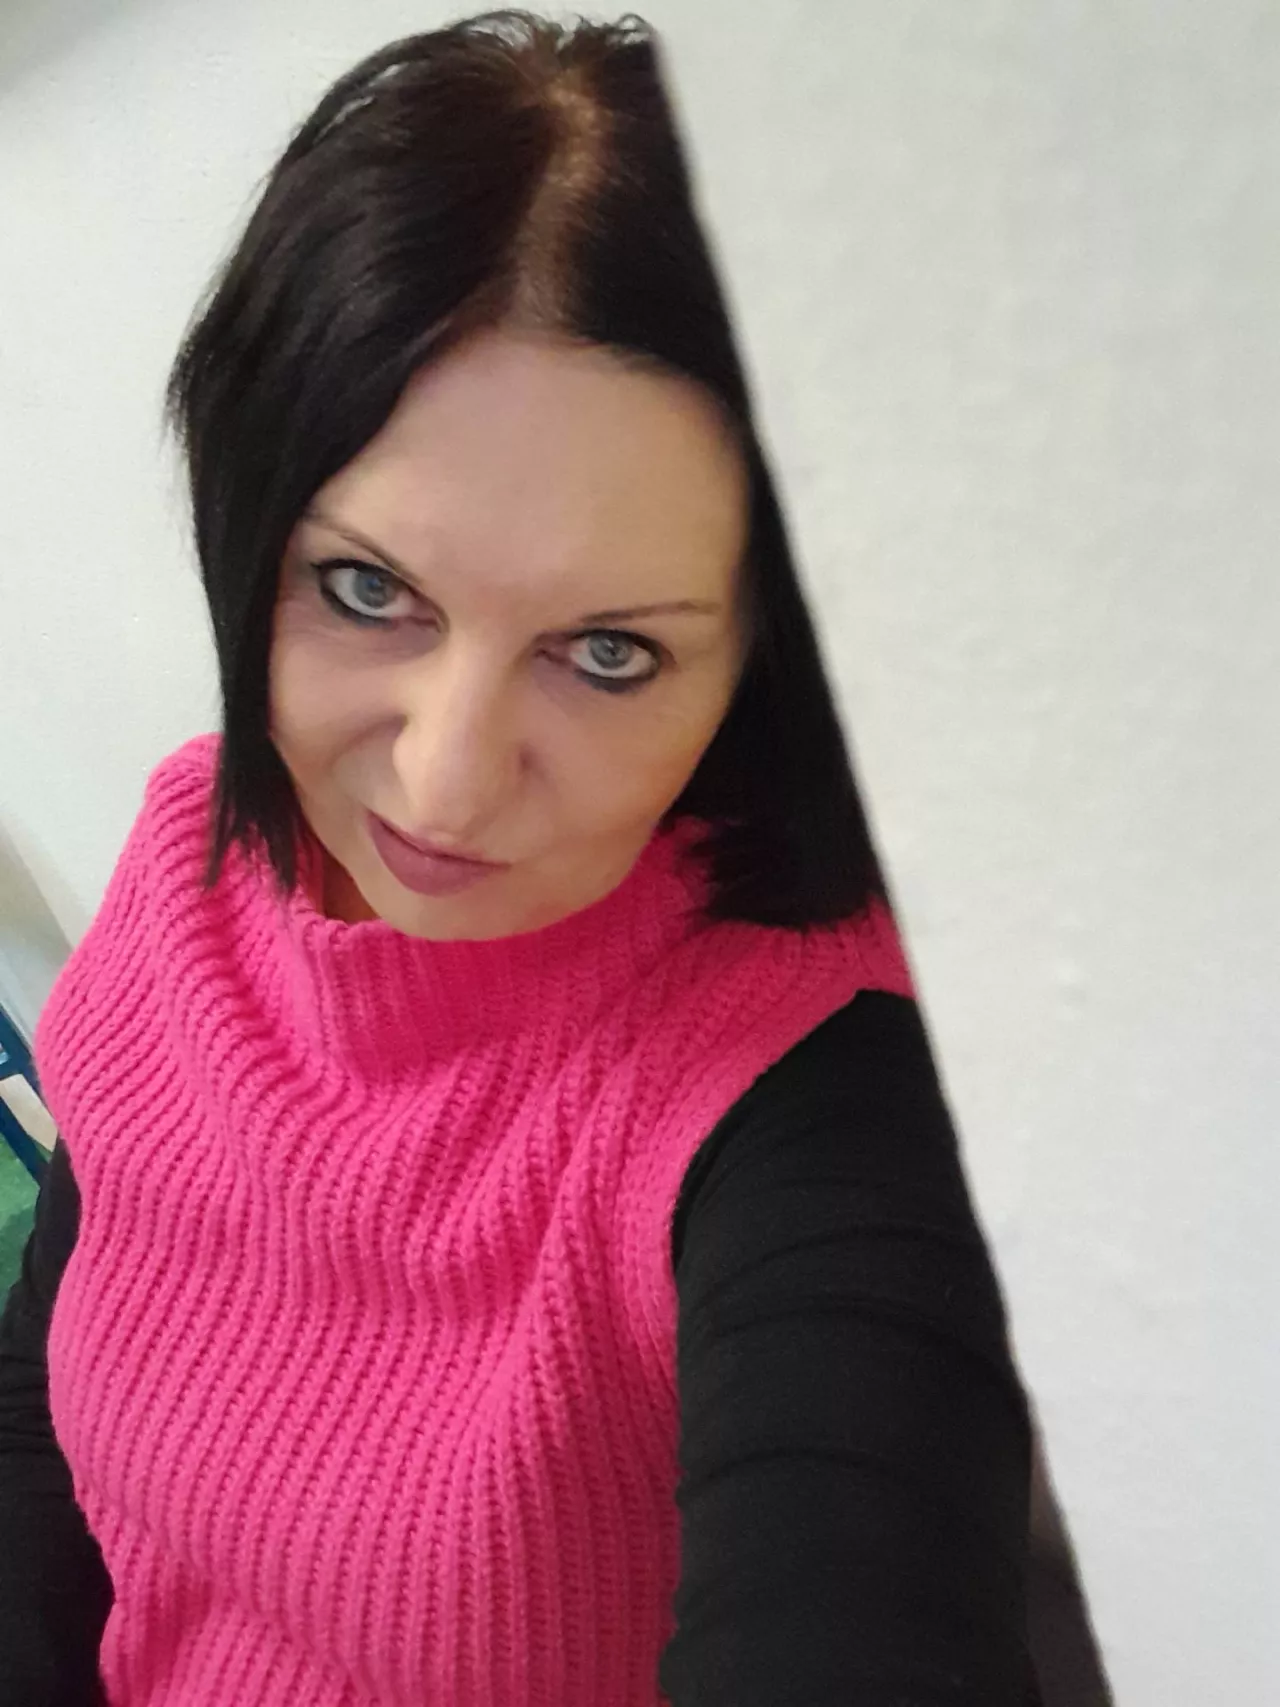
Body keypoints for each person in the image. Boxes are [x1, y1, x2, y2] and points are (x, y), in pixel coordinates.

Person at [0, 12, 1042, 1705]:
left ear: (761, 655)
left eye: (609, 652)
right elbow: (38, 1420)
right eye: (367, 590)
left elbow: (866, 1573)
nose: (447, 779)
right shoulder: (191, 858)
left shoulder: (813, 1091)